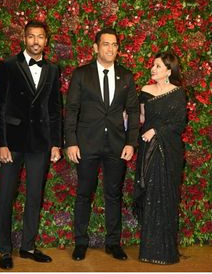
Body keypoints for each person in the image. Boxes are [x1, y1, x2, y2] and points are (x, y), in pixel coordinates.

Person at [0, 20, 62, 270]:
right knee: (6, 196)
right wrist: (1, 143)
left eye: (40, 37)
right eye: (31, 36)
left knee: (34, 196)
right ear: (24, 38)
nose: (35, 41)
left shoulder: (53, 69)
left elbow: (54, 109)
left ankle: (28, 246)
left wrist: (56, 144)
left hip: (40, 143)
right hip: (12, 143)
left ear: (46, 40)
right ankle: (4, 250)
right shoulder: (8, 65)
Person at [65, 28, 139, 261]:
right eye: (106, 44)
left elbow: (134, 111)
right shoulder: (81, 74)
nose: (110, 48)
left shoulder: (126, 76)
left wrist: (131, 142)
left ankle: (113, 242)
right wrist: (71, 142)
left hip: (116, 145)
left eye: (115, 44)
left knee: (113, 194)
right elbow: (72, 110)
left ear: (118, 48)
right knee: (84, 193)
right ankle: (80, 242)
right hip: (86, 144)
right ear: (96, 47)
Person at [133, 52, 187, 264]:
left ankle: (166, 253)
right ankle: (148, 251)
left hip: (168, 153)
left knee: (166, 196)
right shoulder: (145, 91)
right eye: (153, 65)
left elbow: (179, 123)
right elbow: (142, 118)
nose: (152, 69)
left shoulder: (178, 93)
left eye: (157, 66)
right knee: (149, 194)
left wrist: (156, 130)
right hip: (148, 151)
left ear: (168, 70)